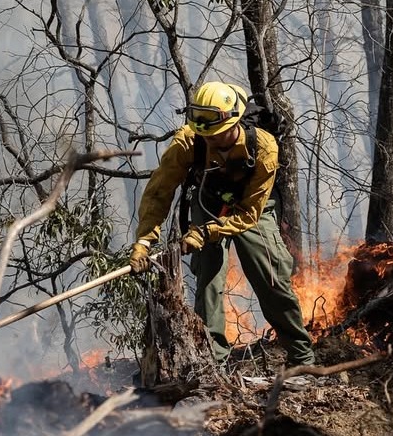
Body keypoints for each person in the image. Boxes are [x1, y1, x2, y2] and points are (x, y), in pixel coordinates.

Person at [129, 81, 315, 368]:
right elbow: (159, 191)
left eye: (218, 134)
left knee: (271, 276)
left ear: (236, 119)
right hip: (209, 202)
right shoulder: (189, 141)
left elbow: (250, 212)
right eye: (207, 135)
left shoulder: (264, 147)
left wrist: (207, 232)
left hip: (252, 208)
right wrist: (144, 241)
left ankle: (302, 358)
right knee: (208, 281)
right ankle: (214, 365)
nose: (212, 141)